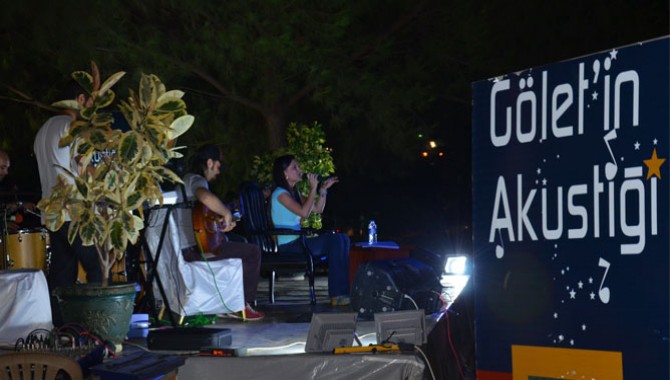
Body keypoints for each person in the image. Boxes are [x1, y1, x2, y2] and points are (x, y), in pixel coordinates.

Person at [34, 81, 103, 325]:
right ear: (81, 99)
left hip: (53, 215)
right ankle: (98, 327)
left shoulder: (44, 129)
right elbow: (84, 168)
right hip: (74, 213)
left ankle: (61, 330)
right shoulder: (71, 127)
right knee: (97, 267)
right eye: (90, 103)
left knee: (62, 277)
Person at [174, 144, 264, 321]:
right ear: (209, 163)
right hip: (194, 250)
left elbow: (201, 220)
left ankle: (228, 303)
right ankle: (242, 305)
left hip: (186, 248)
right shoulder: (197, 180)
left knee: (237, 244)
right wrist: (227, 212)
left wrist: (225, 219)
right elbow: (205, 197)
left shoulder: (185, 180)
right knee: (252, 252)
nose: (218, 172)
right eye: (218, 167)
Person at [270, 154, 351, 306]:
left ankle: (342, 291)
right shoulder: (280, 194)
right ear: (284, 174)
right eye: (295, 167)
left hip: (299, 242)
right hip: (289, 247)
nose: (300, 170)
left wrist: (322, 190)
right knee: (335, 240)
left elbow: (318, 209)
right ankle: (337, 294)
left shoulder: (294, 193)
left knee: (343, 238)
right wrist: (313, 188)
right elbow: (303, 212)